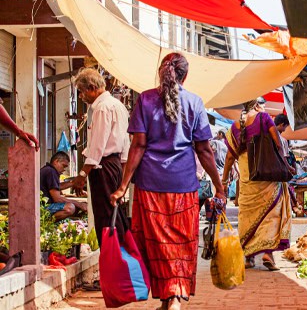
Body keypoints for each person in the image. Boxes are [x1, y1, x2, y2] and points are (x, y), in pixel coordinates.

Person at [110, 53, 225, 310]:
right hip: (183, 186)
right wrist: (219, 186)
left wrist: (122, 186)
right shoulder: (195, 102)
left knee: (156, 244)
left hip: (149, 186)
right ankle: (173, 295)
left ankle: (168, 296)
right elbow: (205, 150)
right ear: (185, 75)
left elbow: (137, 146)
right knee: (181, 243)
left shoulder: (145, 99)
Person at [222, 99, 293, 271]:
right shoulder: (264, 118)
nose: (264, 107)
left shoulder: (234, 127)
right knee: (272, 213)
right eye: (262, 103)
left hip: (247, 177)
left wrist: (224, 180)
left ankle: (248, 256)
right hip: (266, 173)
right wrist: (285, 163)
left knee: (247, 215)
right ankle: (268, 253)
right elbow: (277, 142)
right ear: (255, 105)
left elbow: (230, 157)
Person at [71, 68, 130, 246]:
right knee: (114, 213)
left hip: (103, 167)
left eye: (81, 92)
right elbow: (125, 143)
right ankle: (120, 256)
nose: (81, 97)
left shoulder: (102, 108)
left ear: (90, 87)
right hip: (115, 165)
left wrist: (82, 175)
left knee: (105, 216)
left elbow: (97, 146)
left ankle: (113, 257)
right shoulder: (117, 105)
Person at [40, 151, 87, 221]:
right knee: (70, 208)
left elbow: (57, 186)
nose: (63, 170)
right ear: (56, 161)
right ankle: (46, 222)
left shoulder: (48, 170)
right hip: (42, 208)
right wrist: (79, 204)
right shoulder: (51, 171)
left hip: (43, 206)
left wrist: (74, 182)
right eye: (63, 166)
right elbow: (57, 199)